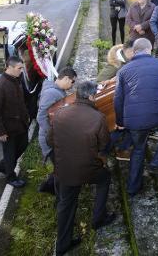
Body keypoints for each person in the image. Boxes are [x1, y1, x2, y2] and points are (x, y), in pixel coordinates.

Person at [51, 81, 115, 255]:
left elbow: (51, 141)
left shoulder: (59, 114)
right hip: (88, 169)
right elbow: (105, 145)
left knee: (67, 203)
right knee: (105, 178)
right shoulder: (98, 118)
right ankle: (98, 218)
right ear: (92, 96)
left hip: (64, 168)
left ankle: (62, 245)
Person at [114, 38, 158, 197]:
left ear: (134, 51)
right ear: (149, 50)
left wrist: (120, 122)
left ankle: (132, 188)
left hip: (134, 121)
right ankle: (156, 162)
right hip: (157, 115)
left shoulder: (123, 71)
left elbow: (118, 99)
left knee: (138, 149)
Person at [0, 55, 30, 188]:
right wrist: (0, 131)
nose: (21, 71)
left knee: (23, 145)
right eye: (19, 68)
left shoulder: (15, 79)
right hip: (8, 128)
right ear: (9, 67)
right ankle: (11, 177)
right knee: (10, 153)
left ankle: (3, 165)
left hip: (20, 125)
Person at [36, 67, 77, 194]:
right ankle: (59, 195)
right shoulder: (51, 93)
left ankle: (48, 187)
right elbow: (41, 116)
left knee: (59, 167)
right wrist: (54, 134)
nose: (72, 85)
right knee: (61, 168)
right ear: (66, 78)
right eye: (72, 82)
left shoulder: (57, 91)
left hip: (53, 138)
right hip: (50, 140)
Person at [97, 44, 132, 161]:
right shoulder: (114, 65)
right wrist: (112, 81)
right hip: (115, 103)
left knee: (123, 127)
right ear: (129, 51)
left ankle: (117, 149)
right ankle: (106, 151)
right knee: (116, 128)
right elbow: (99, 84)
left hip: (124, 101)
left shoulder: (127, 62)